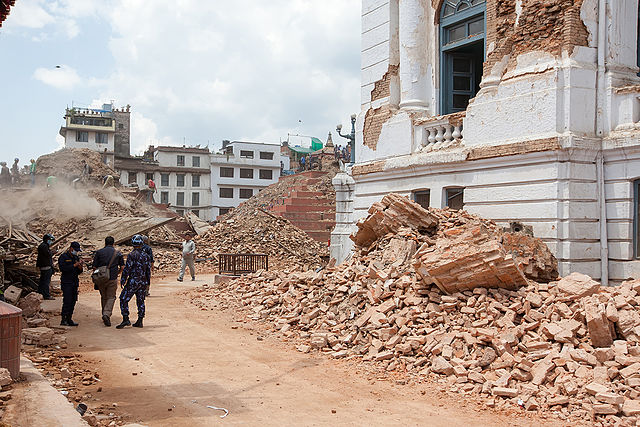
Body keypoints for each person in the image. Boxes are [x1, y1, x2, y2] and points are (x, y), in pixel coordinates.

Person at [116, 235, 151, 329]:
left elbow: (127, 269)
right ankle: (140, 320)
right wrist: (148, 282)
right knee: (140, 301)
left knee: (123, 299)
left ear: (133, 244)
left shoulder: (132, 255)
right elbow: (148, 270)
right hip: (142, 282)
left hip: (133, 281)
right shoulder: (146, 256)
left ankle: (126, 318)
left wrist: (123, 280)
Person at [92, 236, 124, 327]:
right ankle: (106, 314)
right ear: (113, 243)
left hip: (101, 278)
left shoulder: (99, 252)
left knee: (104, 297)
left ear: (105, 243)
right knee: (111, 297)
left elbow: (94, 267)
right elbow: (122, 267)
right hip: (112, 278)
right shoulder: (117, 253)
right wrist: (117, 273)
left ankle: (104, 314)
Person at [58, 242, 83, 326]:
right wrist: (74, 265)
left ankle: (69, 319)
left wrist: (80, 267)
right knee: (67, 301)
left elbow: (79, 271)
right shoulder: (63, 257)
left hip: (74, 282)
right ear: (71, 248)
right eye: (75, 250)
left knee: (73, 301)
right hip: (66, 282)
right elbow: (62, 268)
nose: (76, 252)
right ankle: (64, 319)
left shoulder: (76, 257)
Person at [36, 234, 56, 300]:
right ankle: (46, 295)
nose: (51, 242)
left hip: (44, 266)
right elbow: (48, 255)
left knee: (42, 281)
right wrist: (53, 252)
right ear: (47, 240)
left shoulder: (43, 245)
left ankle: (40, 294)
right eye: (50, 240)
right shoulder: (44, 246)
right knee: (46, 282)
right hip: (46, 267)